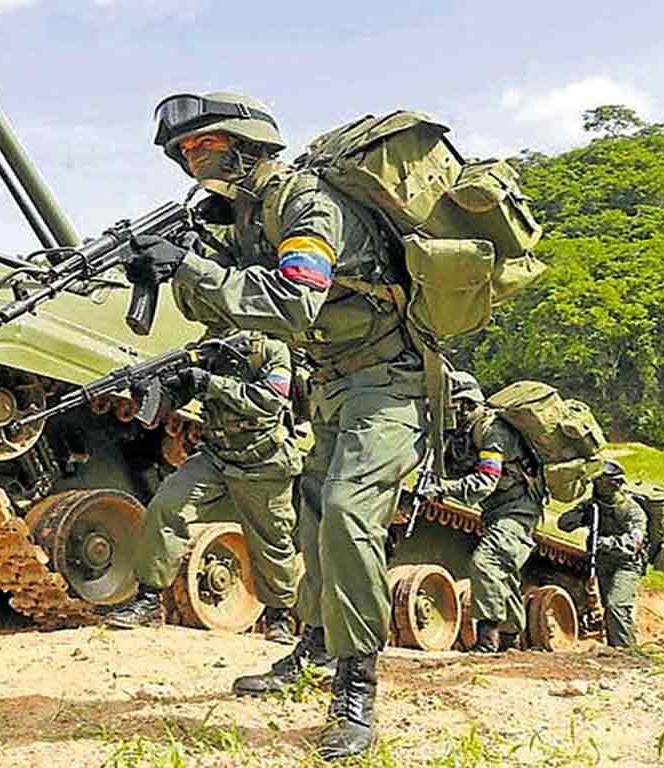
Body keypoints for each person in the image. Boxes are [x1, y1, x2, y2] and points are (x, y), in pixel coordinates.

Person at [127, 91, 428, 760]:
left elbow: (291, 304)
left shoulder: (305, 203)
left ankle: (355, 688)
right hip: (332, 385)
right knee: (315, 517)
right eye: (184, 151)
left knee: (348, 513)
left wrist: (192, 263)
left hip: (388, 381)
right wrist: (180, 260)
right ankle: (315, 648)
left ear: (247, 143)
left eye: (204, 144)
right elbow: (224, 313)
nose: (192, 157)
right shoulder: (251, 216)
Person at [104, 329, 302, 645]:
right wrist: (150, 391)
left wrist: (209, 382)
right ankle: (149, 600)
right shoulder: (206, 350)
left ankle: (278, 617)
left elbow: (269, 401)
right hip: (216, 454)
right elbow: (166, 405)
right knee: (167, 506)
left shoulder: (272, 350)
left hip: (263, 459)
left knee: (271, 537)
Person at [423, 371, 542, 653]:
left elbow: (486, 481)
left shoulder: (492, 430)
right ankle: (511, 641)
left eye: (450, 405)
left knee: (485, 564)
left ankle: (487, 640)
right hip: (495, 511)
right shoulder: (461, 435)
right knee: (503, 572)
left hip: (518, 510)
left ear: (466, 403)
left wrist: (442, 489)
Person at [557, 460, 647, 647]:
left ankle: (625, 651)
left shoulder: (631, 510)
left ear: (615, 484)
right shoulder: (592, 506)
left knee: (617, 605)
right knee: (610, 607)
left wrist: (604, 543)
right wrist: (582, 514)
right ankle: (617, 648)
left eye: (601, 481)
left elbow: (634, 543)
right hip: (603, 563)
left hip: (626, 564)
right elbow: (564, 524)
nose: (597, 484)